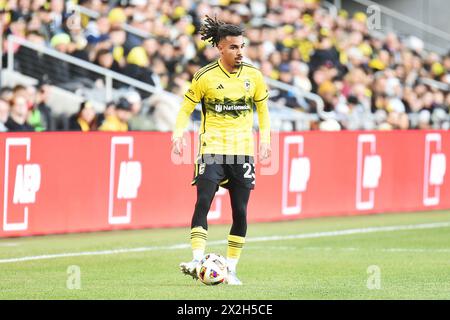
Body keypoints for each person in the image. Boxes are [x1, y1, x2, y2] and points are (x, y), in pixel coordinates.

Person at [172, 16, 271, 285]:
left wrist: (265, 140)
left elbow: (263, 110)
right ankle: (196, 259)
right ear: (220, 48)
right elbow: (185, 108)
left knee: (240, 211)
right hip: (212, 148)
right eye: (233, 47)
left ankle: (232, 268)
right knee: (203, 200)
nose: (239, 52)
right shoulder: (204, 77)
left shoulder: (254, 76)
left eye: (242, 46)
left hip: (242, 151)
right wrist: (178, 135)